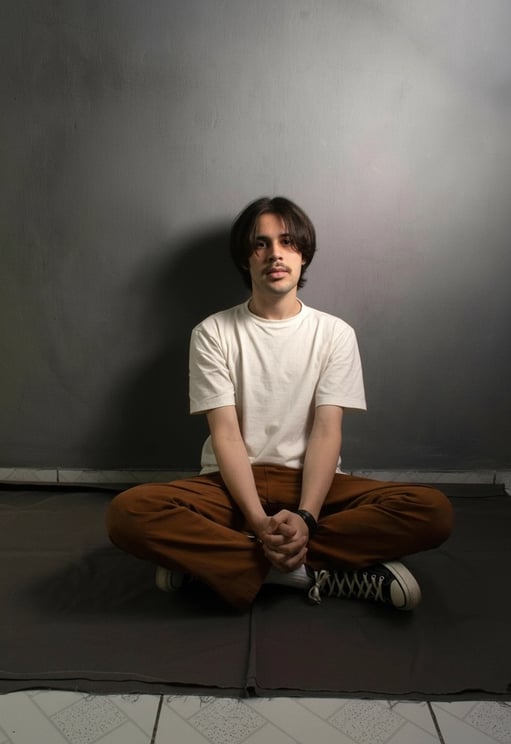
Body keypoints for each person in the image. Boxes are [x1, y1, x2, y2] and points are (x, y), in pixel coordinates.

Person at [107, 196, 453, 611]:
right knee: (128, 514)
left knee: (432, 511)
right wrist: (256, 518)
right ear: (245, 258)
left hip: (312, 482)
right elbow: (226, 435)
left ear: (303, 254)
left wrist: (306, 517)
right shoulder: (213, 332)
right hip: (232, 484)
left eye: (287, 242)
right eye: (261, 244)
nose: (275, 254)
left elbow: (327, 431)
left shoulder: (334, 333)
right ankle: (307, 572)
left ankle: (216, 564)